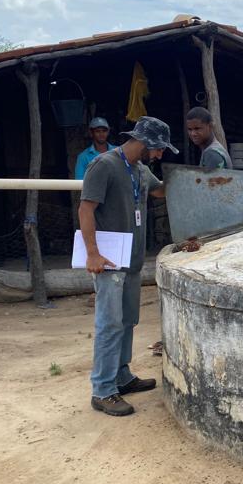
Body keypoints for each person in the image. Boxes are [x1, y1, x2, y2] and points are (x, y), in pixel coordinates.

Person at [78, 116, 178, 417]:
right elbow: (86, 209)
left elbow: (160, 190)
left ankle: (121, 376)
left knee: (127, 321)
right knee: (110, 324)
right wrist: (92, 254)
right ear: (145, 143)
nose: (160, 154)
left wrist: (192, 180)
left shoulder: (140, 169)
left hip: (131, 260)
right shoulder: (104, 165)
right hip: (109, 262)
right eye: (158, 148)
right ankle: (102, 390)